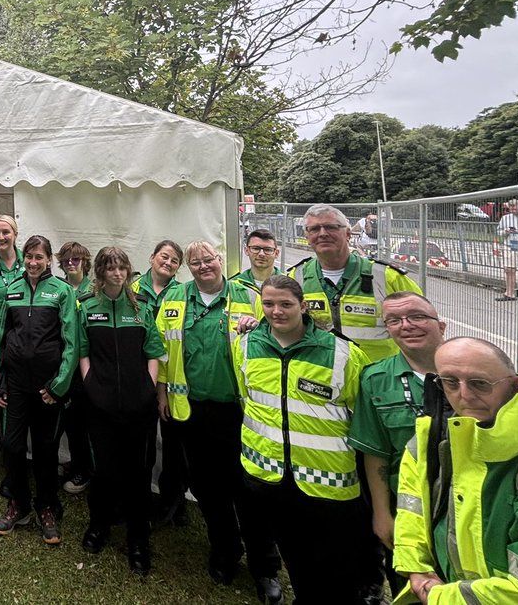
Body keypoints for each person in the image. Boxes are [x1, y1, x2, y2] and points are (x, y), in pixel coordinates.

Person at [394, 337, 518, 603]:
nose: (464, 394)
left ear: (515, 385)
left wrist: (436, 596)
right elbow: (412, 506)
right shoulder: (434, 436)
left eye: (479, 383)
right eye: (450, 382)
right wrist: (416, 568)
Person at [234, 274, 370, 605]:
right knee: (296, 558)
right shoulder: (246, 346)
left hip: (328, 483)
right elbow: (247, 397)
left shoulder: (342, 354)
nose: (276, 311)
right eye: (269, 304)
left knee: (338, 569)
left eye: (286, 304)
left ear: (303, 306)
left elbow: (363, 418)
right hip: (271, 476)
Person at [157, 240, 279, 602]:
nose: (203, 267)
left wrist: (259, 327)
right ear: (188, 268)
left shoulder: (249, 296)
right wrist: (162, 393)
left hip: (241, 412)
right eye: (195, 263)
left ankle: (265, 567)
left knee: (249, 489)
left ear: (220, 260)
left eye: (208, 260)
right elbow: (160, 348)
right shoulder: (175, 298)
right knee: (208, 489)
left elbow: (276, 337)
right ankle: (225, 550)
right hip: (192, 410)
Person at [348, 292, 447, 595]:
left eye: (417, 316)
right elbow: (376, 452)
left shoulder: (472, 370)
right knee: (414, 589)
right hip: (407, 514)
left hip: (468, 509)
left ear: (441, 325)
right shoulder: (375, 379)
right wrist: (381, 514)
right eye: (394, 320)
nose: (406, 325)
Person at [77, 246, 165, 576]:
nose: (117, 273)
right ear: (100, 272)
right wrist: (90, 384)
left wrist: (147, 388)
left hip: (138, 405)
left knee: (138, 472)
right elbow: (82, 349)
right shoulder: (87, 305)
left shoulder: (141, 306)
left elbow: (153, 351)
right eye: (110, 268)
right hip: (100, 405)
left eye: (122, 268)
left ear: (128, 271)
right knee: (103, 470)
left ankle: (138, 539)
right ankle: (98, 525)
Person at [0, 235, 78, 547]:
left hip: (47, 389)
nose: (33, 262)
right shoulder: (12, 289)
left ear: (48, 260)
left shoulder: (62, 291)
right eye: (29, 256)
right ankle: (19, 504)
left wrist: (58, 386)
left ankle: (46, 507)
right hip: (15, 386)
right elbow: (1, 338)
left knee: (45, 450)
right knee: (12, 447)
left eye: (39, 257)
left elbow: (72, 343)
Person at [288, 204, 421, 364]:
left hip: (377, 375)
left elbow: (423, 326)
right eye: (314, 229)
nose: (322, 233)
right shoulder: (296, 277)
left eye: (331, 227)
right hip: (320, 375)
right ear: (307, 237)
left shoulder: (387, 277)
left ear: (348, 234)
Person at [133, 239, 188, 525]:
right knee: (140, 444)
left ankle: (174, 502)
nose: (167, 263)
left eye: (174, 260)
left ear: (179, 267)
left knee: (174, 446)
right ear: (152, 257)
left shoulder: (184, 293)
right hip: (137, 377)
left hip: (171, 380)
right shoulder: (132, 288)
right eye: (164, 257)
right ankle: (138, 498)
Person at [55, 240, 93, 495]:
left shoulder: (96, 290)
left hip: (86, 365)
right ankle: (76, 462)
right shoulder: (57, 288)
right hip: (61, 363)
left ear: (85, 262)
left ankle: (85, 470)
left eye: (76, 259)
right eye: (66, 259)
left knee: (82, 423)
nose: (70, 263)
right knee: (67, 420)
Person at [232, 229, 281, 293]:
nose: (261, 254)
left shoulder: (289, 285)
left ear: (276, 253)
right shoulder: (232, 286)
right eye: (256, 248)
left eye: (268, 250)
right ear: (246, 251)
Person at [496, 198, 518, 300]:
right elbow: (499, 232)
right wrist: (506, 231)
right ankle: (509, 292)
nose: (513, 210)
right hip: (510, 244)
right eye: (511, 208)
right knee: (509, 269)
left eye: (515, 208)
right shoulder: (505, 218)